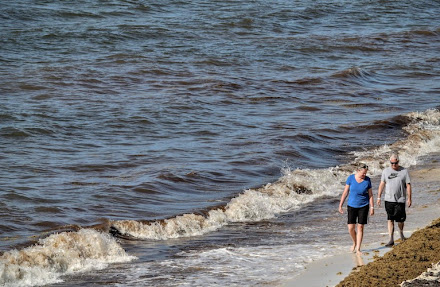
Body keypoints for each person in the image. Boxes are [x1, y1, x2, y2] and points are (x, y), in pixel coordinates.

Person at [377, 153, 412, 247]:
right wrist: (379, 197)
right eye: (391, 163)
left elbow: (408, 185)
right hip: (388, 199)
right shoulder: (385, 171)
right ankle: (391, 239)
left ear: (398, 162)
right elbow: (382, 184)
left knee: (400, 220)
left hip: (400, 199)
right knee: (390, 219)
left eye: (395, 163)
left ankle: (401, 233)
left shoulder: (404, 171)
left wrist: (409, 198)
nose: (393, 165)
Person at [339, 164, 374, 255]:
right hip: (351, 205)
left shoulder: (367, 180)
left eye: (365, 173)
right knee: (351, 228)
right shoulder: (350, 178)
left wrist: (372, 207)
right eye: (363, 173)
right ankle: (354, 242)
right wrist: (340, 205)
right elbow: (345, 192)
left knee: (360, 227)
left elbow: (370, 195)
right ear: (358, 170)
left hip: (364, 205)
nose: (364, 175)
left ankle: (358, 248)